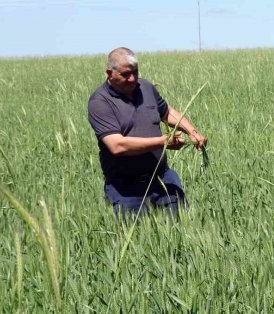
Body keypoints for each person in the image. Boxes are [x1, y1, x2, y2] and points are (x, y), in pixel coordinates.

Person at [87, 47, 207, 219]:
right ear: (109, 73)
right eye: (126, 74)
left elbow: (166, 112)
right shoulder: (100, 102)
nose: (133, 79)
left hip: (162, 177)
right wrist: (162, 142)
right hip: (126, 188)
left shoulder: (146, 87)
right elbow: (117, 145)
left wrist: (192, 132)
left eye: (135, 72)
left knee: (181, 229)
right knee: (136, 239)